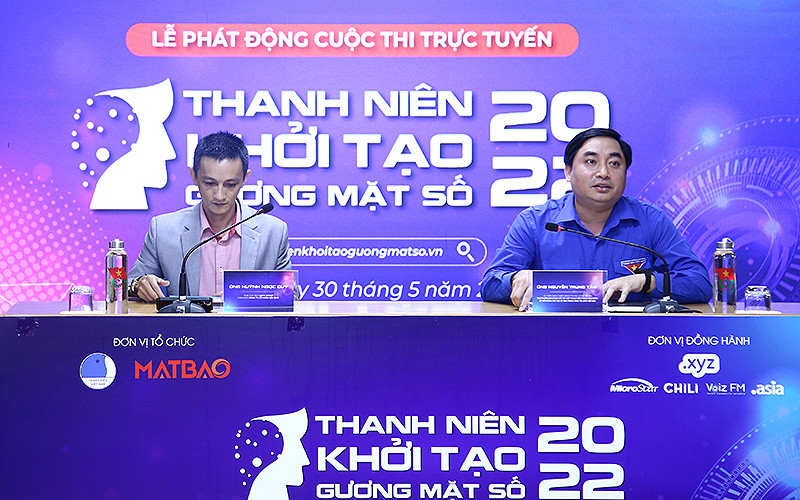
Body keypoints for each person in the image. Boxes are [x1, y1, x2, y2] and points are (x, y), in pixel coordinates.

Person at [480, 127, 712, 311]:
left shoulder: (651, 220)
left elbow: (699, 283)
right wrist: (516, 279)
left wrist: (646, 281)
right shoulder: (535, 222)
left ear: (625, 173)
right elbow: (490, 283)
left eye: (614, 163)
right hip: (553, 336)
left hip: (633, 339)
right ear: (568, 172)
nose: (603, 173)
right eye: (591, 162)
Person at [129, 131, 292, 301]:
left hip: (246, 320)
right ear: (194, 176)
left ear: (245, 178)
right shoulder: (163, 229)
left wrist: (243, 295)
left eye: (230, 184)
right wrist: (138, 284)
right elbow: (127, 285)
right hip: (185, 320)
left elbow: (290, 294)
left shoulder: (273, 231)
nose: (220, 195)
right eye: (210, 183)